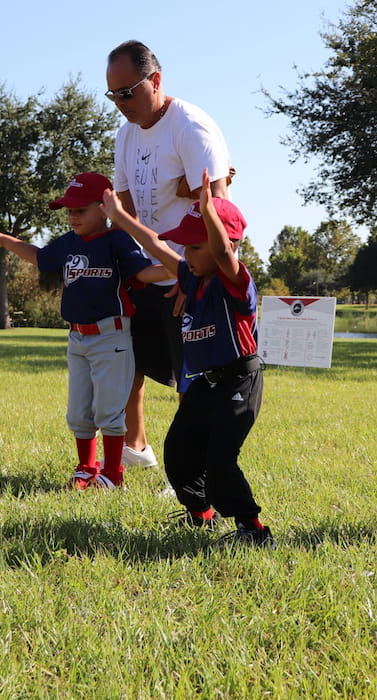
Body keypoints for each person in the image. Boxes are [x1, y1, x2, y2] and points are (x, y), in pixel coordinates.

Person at [104, 170, 273, 548]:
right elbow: (151, 241)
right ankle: (201, 515)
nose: (185, 254)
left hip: (238, 381)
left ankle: (253, 529)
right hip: (204, 383)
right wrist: (119, 217)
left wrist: (209, 211)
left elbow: (224, 251)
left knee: (219, 461)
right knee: (178, 454)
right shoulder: (190, 277)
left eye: (194, 247)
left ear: (218, 245)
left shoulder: (236, 283)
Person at [0, 173, 172, 489]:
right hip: (78, 337)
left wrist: (176, 267)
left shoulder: (118, 240)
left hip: (112, 336)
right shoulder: (68, 243)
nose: (72, 216)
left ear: (104, 208)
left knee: (109, 410)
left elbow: (143, 273)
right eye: (69, 211)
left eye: (80, 210)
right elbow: (40, 257)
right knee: (79, 410)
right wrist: (5, 241)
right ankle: (86, 467)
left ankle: (113, 474)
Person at [106, 40, 234, 472]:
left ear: (155, 80)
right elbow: (124, 208)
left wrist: (195, 279)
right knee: (129, 370)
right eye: (113, 95)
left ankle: (190, 469)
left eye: (128, 92)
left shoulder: (190, 127)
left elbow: (221, 211)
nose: (121, 103)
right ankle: (137, 450)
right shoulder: (125, 135)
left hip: (189, 276)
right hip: (146, 274)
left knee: (190, 382)